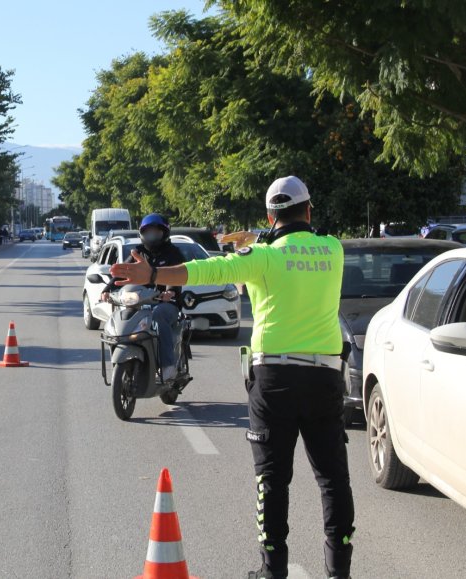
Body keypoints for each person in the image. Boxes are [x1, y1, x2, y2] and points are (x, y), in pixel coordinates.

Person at [110, 177, 355, 579]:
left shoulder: (262, 257)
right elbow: (294, 241)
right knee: (333, 478)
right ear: (309, 211)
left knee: (273, 480)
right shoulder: (333, 250)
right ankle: (339, 572)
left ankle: (273, 570)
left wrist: (151, 273)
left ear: (270, 216)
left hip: (274, 377)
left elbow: (206, 270)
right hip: (326, 376)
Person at [100, 213, 185, 382]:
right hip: (141, 302)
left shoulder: (173, 253)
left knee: (159, 315)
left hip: (167, 303)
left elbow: (176, 274)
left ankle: (168, 366)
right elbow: (122, 271)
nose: (151, 237)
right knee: (122, 317)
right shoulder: (138, 252)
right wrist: (107, 289)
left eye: (155, 233)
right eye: (148, 233)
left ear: (165, 233)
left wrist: (170, 291)